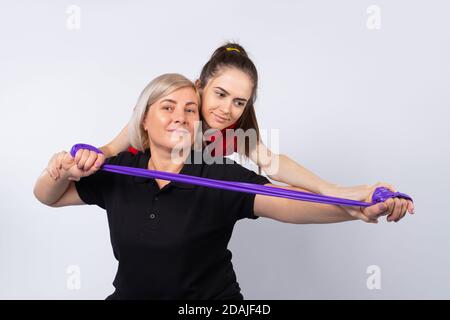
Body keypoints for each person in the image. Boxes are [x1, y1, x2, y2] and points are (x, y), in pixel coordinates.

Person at [34, 74, 409, 299]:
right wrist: (60, 171)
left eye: (189, 109)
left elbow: (289, 204)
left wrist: (358, 207)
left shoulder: (218, 172)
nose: (180, 116)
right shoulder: (120, 169)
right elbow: (48, 197)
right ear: (143, 118)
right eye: (167, 107)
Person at [45, 43, 414, 222]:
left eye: (239, 102)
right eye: (220, 94)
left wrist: (343, 194)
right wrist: (80, 158)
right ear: (199, 85)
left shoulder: (231, 135)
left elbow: (274, 166)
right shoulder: (166, 110)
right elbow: (108, 148)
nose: (226, 110)